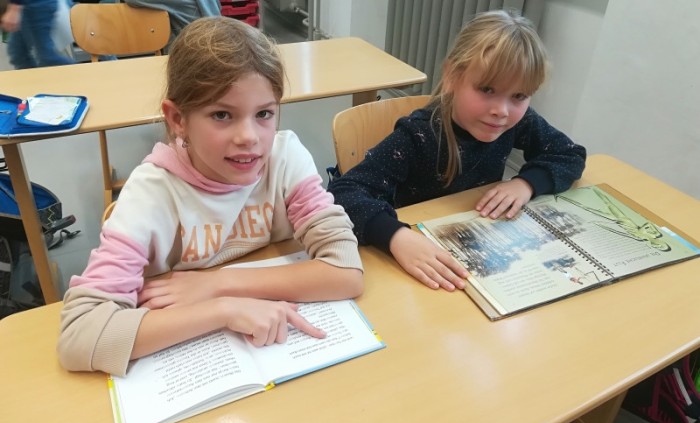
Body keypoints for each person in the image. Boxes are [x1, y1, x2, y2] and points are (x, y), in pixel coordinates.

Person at [57, 17, 363, 376]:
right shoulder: (151, 193)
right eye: (221, 115)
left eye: (264, 113)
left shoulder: (285, 158)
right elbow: (79, 335)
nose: (249, 137)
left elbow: (346, 271)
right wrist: (224, 310)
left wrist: (221, 284)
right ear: (178, 119)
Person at [328, 9, 586, 292]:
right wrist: (395, 236)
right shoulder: (419, 135)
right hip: (415, 259)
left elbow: (568, 153)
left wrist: (527, 184)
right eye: (487, 89)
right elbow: (343, 193)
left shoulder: (518, 121)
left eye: (519, 96)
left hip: (476, 247)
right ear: (452, 75)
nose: (501, 110)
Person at [1, 0, 75, 69]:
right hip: (25, 6)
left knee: (46, 57)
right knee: (18, 54)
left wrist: (14, 7)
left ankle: (78, 72)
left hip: (37, 5)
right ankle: (32, 78)